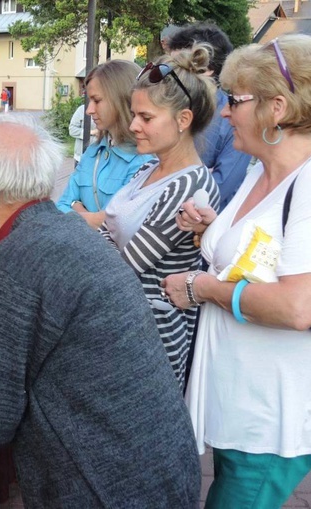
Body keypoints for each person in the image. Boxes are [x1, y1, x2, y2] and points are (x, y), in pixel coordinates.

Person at [0, 114, 201, 507]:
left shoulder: (14, 261)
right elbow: (50, 322)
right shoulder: (67, 231)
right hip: (160, 471)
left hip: (106, 490)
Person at [163, 34, 311, 507]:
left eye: (234, 101)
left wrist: (202, 288)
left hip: (271, 420)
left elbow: (301, 306)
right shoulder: (263, 170)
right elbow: (265, 258)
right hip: (240, 405)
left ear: (276, 107)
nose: (223, 113)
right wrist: (211, 232)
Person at [99, 45, 220, 389]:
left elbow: (128, 264)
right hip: (126, 326)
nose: (134, 125)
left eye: (146, 117)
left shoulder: (191, 184)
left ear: (183, 120)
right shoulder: (151, 169)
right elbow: (110, 232)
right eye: (134, 114)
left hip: (153, 337)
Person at [57, 60, 154, 228]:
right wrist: (91, 218)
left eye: (97, 100)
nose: (89, 110)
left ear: (120, 99)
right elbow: (61, 205)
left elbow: (116, 226)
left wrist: (76, 206)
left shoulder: (144, 162)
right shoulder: (94, 151)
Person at [169, 22, 252, 211]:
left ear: (208, 68)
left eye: (179, 65)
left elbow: (218, 188)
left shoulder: (232, 120)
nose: (170, 73)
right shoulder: (167, 109)